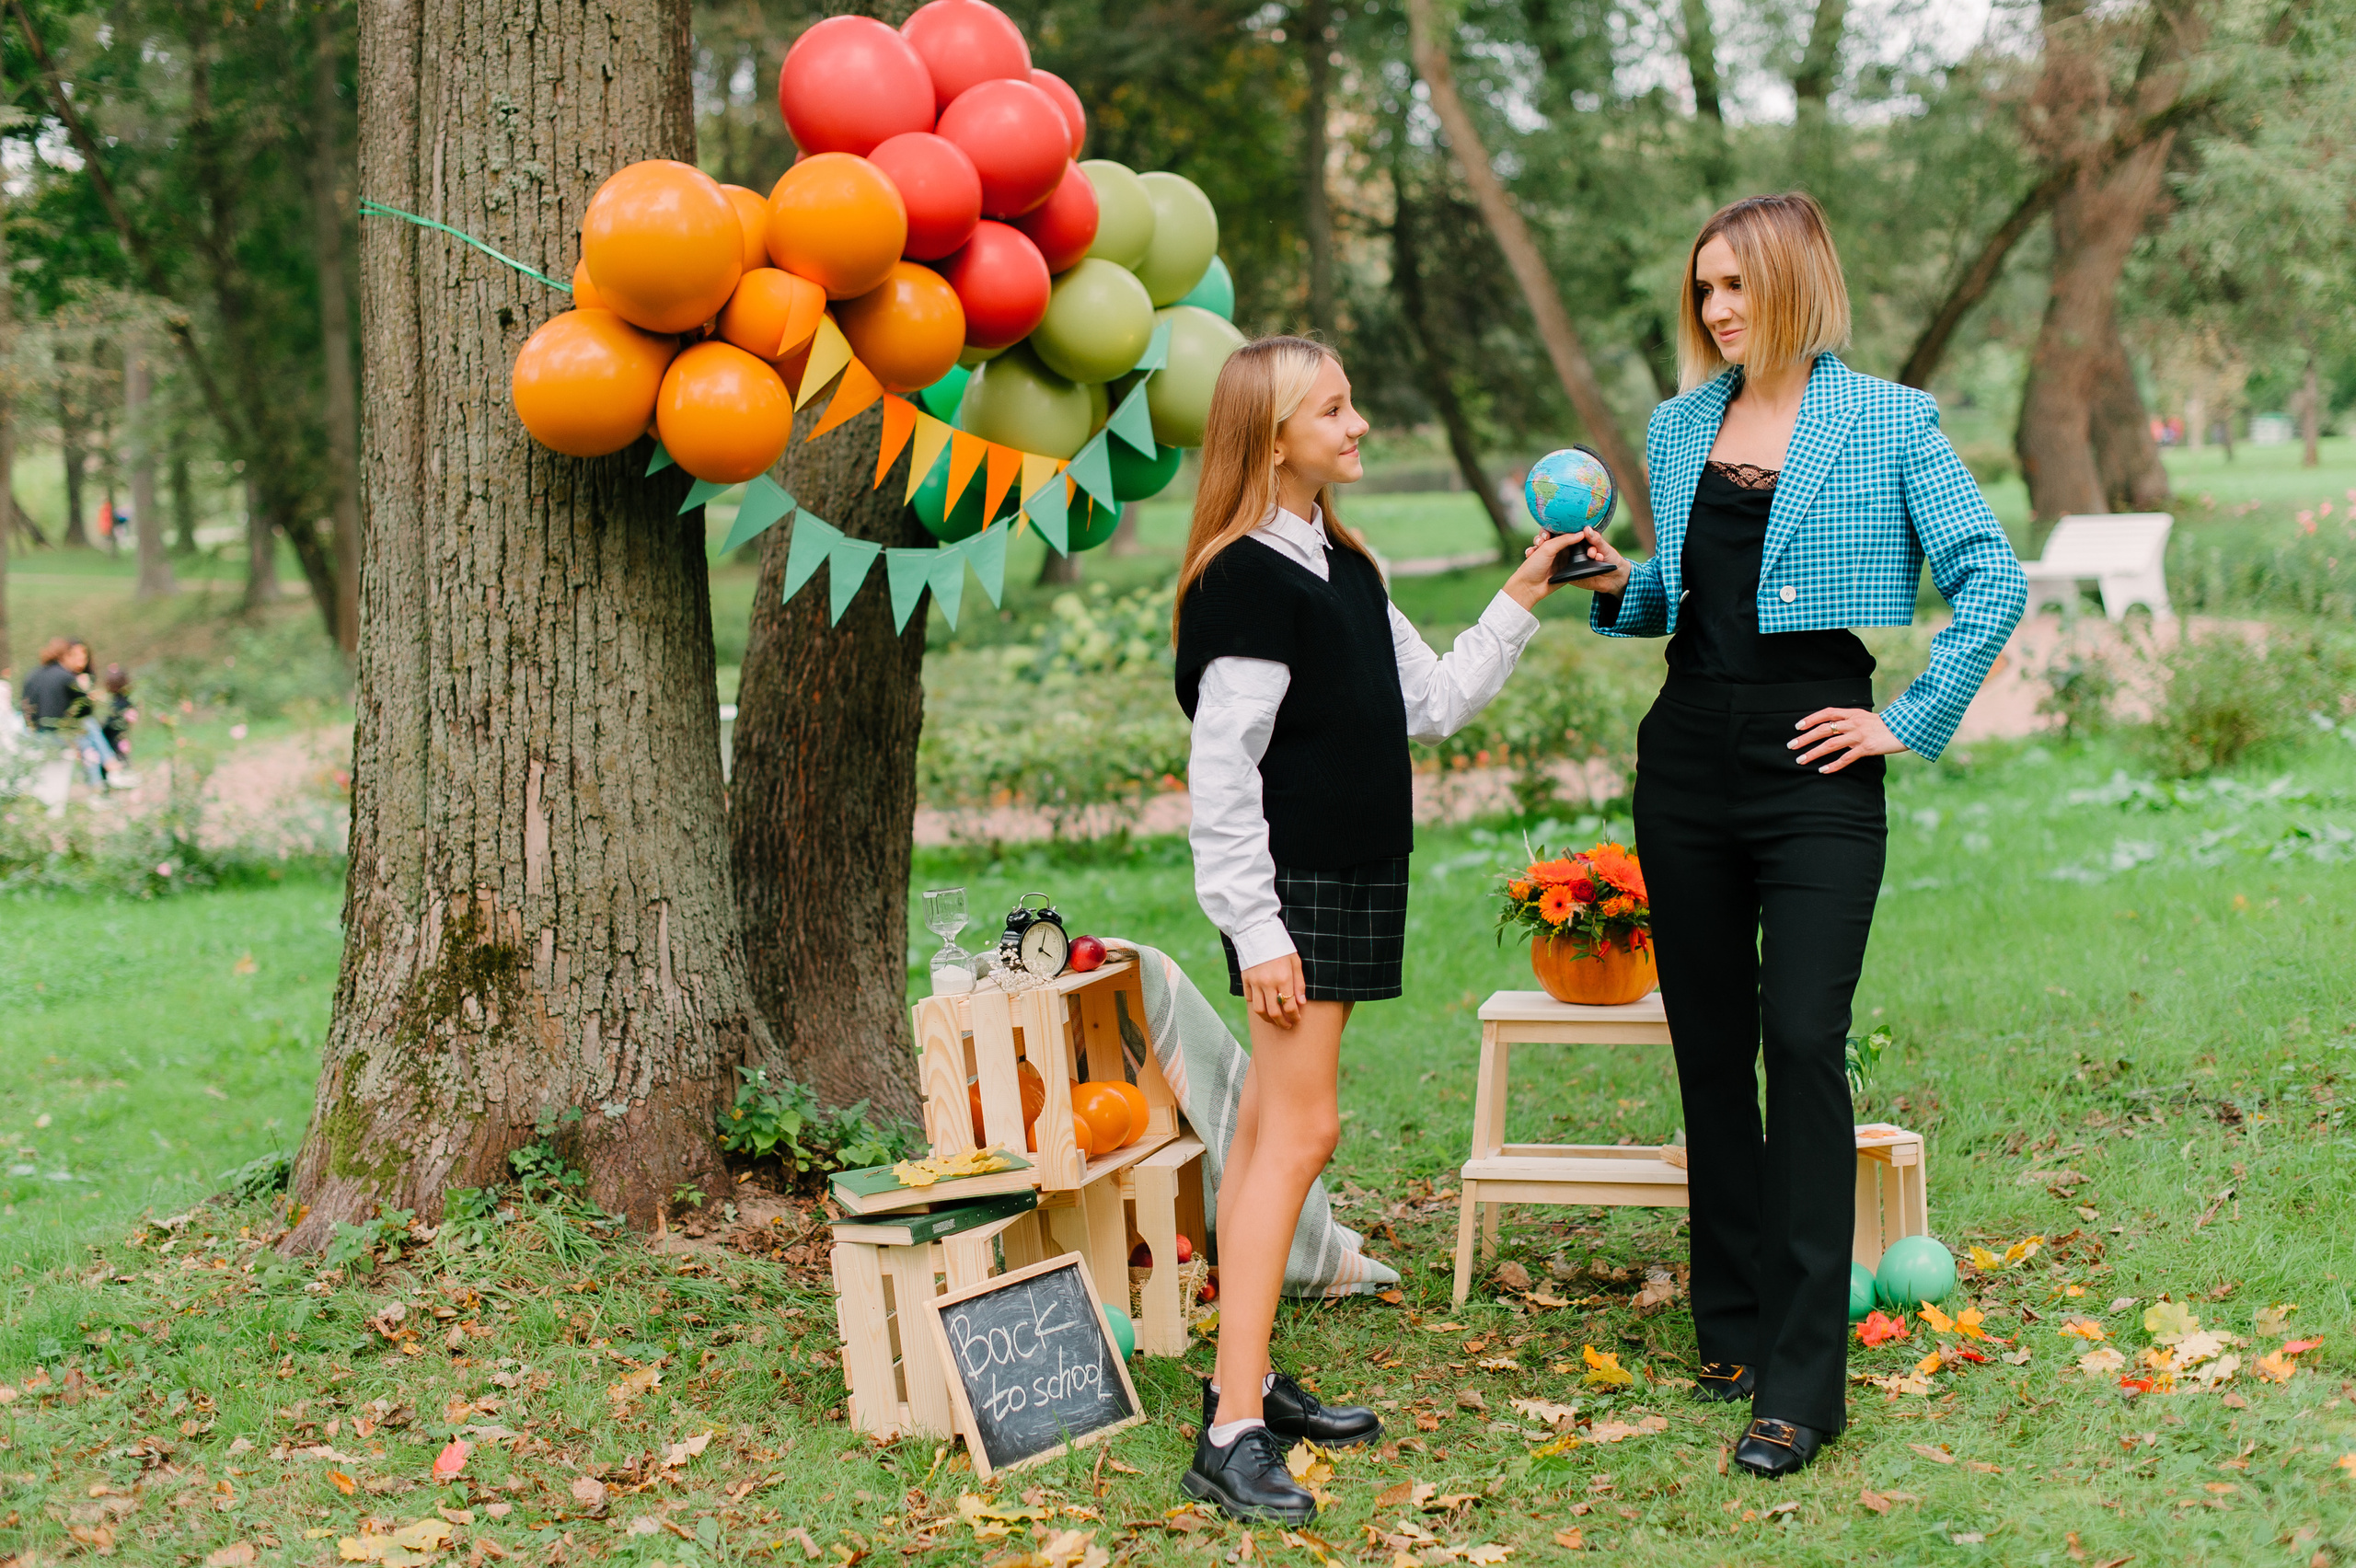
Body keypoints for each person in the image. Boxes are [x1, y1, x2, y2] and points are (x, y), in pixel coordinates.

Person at [1561, 194, 2025, 1478]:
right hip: (1688, 754)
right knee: (1710, 1046)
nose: (1717, 311)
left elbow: (1993, 578)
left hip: (1819, 757)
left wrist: (1908, 721)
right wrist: (1616, 584)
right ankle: (1734, 1325)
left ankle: (1803, 1382)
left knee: (1801, 1040)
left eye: (1738, 287)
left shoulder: (1889, 419)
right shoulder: (1677, 426)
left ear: (1795, 284)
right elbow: (1687, 594)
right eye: (1703, 288)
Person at [1170, 337, 1588, 1523]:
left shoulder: (1342, 563)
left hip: (1349, 877)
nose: (1359, 427)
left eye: (1354, 404)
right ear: (1272, 437)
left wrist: (1525, 590)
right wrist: (1257, 932)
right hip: (1291, 892)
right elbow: (1221, 776)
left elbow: (1435, 701)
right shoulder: (1245, 577)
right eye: (1335, 411)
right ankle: (1233, 1434)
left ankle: (1238, 1380)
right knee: (1300, 1131)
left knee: (1265, 1134)